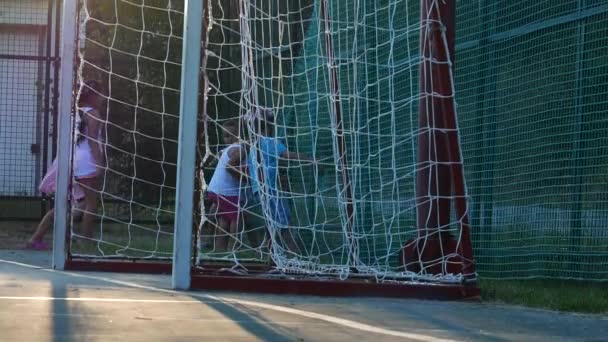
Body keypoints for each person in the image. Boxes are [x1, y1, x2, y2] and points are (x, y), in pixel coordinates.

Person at [26, 80, 105, 250]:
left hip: (71, 161)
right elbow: (91, 140)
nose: (103, 97)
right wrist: (99, 163)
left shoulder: (74, 113)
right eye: (100, 94)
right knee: (91, 203)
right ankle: (86, 241)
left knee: (71, 204)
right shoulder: (93, 113)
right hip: (86, 162)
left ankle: (37, 238)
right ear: (92, 96)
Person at [245, 107, 318, 253]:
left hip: (258, 190)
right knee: (285, 226)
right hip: (270, 191)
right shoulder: (269, 142)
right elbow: (287, 155)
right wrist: (310, 159)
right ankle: (294, 256)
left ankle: (271, 253)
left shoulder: (254, 145)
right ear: (270, 124)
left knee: (272, 224)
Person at [206, 120, 248, 252]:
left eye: (230, 136)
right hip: (226, 191)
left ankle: (219, 249)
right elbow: (230, 168)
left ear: (239, 135)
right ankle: (234, 248)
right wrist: (247, 179)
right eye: (225, 136)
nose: (227, 139)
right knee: (237, 217)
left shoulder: (228, 149)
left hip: (215, 189)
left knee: (224, 219)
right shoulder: (239, 149)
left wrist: (212, 162)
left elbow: (218, 156)